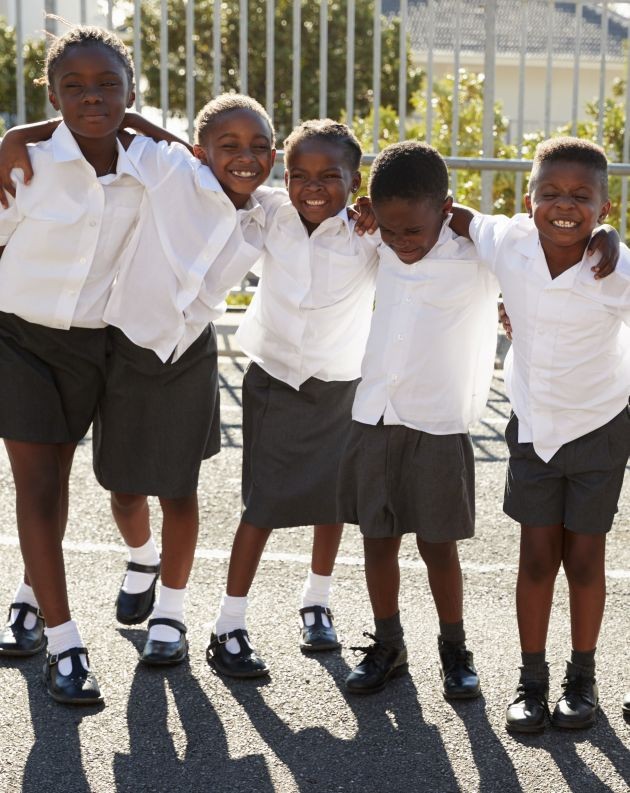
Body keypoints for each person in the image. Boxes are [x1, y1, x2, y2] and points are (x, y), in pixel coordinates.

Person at [0, 92, 280, 667]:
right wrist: (19, 136)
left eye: (258, 147)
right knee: (122, 488)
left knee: (179, 490)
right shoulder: (172, 169)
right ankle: (142, 557)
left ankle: (172, 614)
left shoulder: (271, 211)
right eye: (227, 146)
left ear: (273, 157)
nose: (244, 157)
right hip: (122, 349)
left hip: (187, 356)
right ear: (199, 150)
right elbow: (110, 117)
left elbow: (325, 210)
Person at [449, 136, 626, 732]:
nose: (564, 205)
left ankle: (583, 679)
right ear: (529, 200)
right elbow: (458, 217)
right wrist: (367, 209)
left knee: (584, 559)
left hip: (599, 426)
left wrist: (613, 244)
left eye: (581, 196)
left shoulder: (615, 267)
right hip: (534, 427)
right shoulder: (511, 242)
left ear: (606, 208)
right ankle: (531, 682)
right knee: (534, 559)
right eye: (549, 192)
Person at [0, 25, 144, 704]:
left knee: (57, 482)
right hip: (14, 338)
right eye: (73, 87)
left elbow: (189, 150)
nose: (91, 97)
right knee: (35, 487)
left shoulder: (146, 165)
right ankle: (64, 641)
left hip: (89, 345)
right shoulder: (22, 161)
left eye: (107, 84)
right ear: (51, 94)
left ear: (131, 92)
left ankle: (29, 593)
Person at [206, 119, 379, 678]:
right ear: (284, 172)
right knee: (261, 505)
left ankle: (317, 601)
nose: (313, 186)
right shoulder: (270, 211)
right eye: (300, 173)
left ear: (356, 182)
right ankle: (228, 624)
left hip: (338, 383)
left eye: (331, 176)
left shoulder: (368, 234)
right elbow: (197, 175)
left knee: (335, 501)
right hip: (273, 379)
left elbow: (435, 223)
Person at [337, 141, 499, 697]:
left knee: (438, 546)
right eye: (391, 230)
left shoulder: (476, 253)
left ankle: (454, 649)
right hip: (375, 414)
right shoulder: (377, 239)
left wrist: (604, 233)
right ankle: (389, 644)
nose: (403, 243)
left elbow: (536, 242)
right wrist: (367, 218)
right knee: (377, 541)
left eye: (414, 232)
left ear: (446, 209)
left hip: (438, 423)